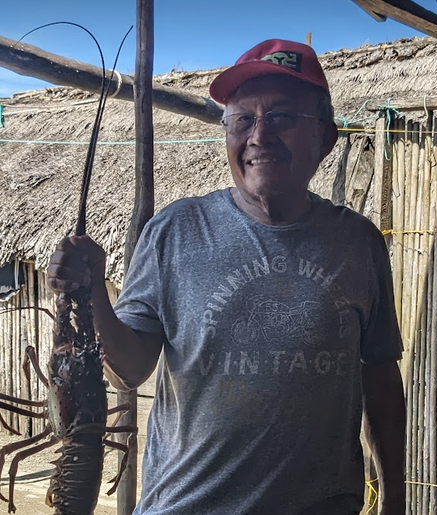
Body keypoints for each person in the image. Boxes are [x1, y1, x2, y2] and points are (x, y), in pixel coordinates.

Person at [47, 39, 406, 515]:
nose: (259, 135)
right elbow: (128, 370)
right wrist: (93, 292)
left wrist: (395, 499)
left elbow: (380, 375)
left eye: (281, 116)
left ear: (325, 138)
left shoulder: (359, 243)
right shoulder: (174, 231)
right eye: (242, 120)